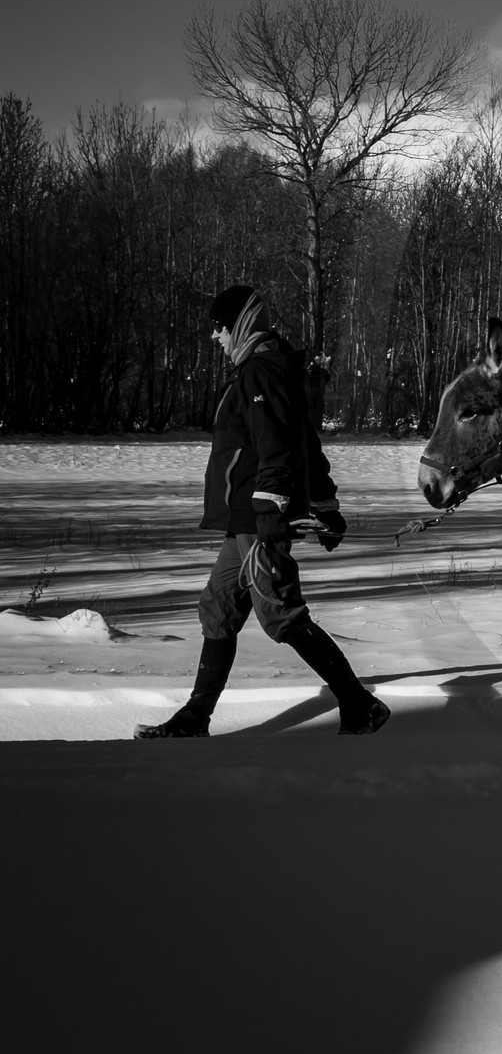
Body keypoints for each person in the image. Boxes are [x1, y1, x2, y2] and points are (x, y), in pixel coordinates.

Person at [136, 285, 390, 738]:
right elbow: (305, 444)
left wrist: (274, 514)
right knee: (217, 609)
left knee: (280, 614)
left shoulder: (260, 372)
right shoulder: (262, 371)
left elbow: (279, 450)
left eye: (219, 327)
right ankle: (194, 720)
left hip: (258, 522)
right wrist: (327, 505)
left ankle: (360, 704)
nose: (215, 337)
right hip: (243, 524)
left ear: (239, 324)